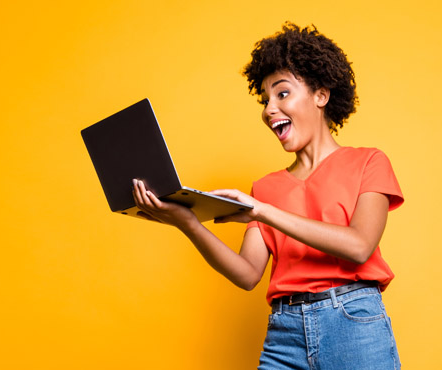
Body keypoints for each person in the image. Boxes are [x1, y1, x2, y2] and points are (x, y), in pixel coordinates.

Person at [131, 22, 404, 369]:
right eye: (265, 99)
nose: (269, 109)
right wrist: (188, 223)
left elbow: (359, 245)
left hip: (353, 323)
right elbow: (247, 275)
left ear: (321, 95)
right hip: (285, 331)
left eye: (282, 93)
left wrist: (262, 212)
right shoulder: (265, 188)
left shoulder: (368, 162)